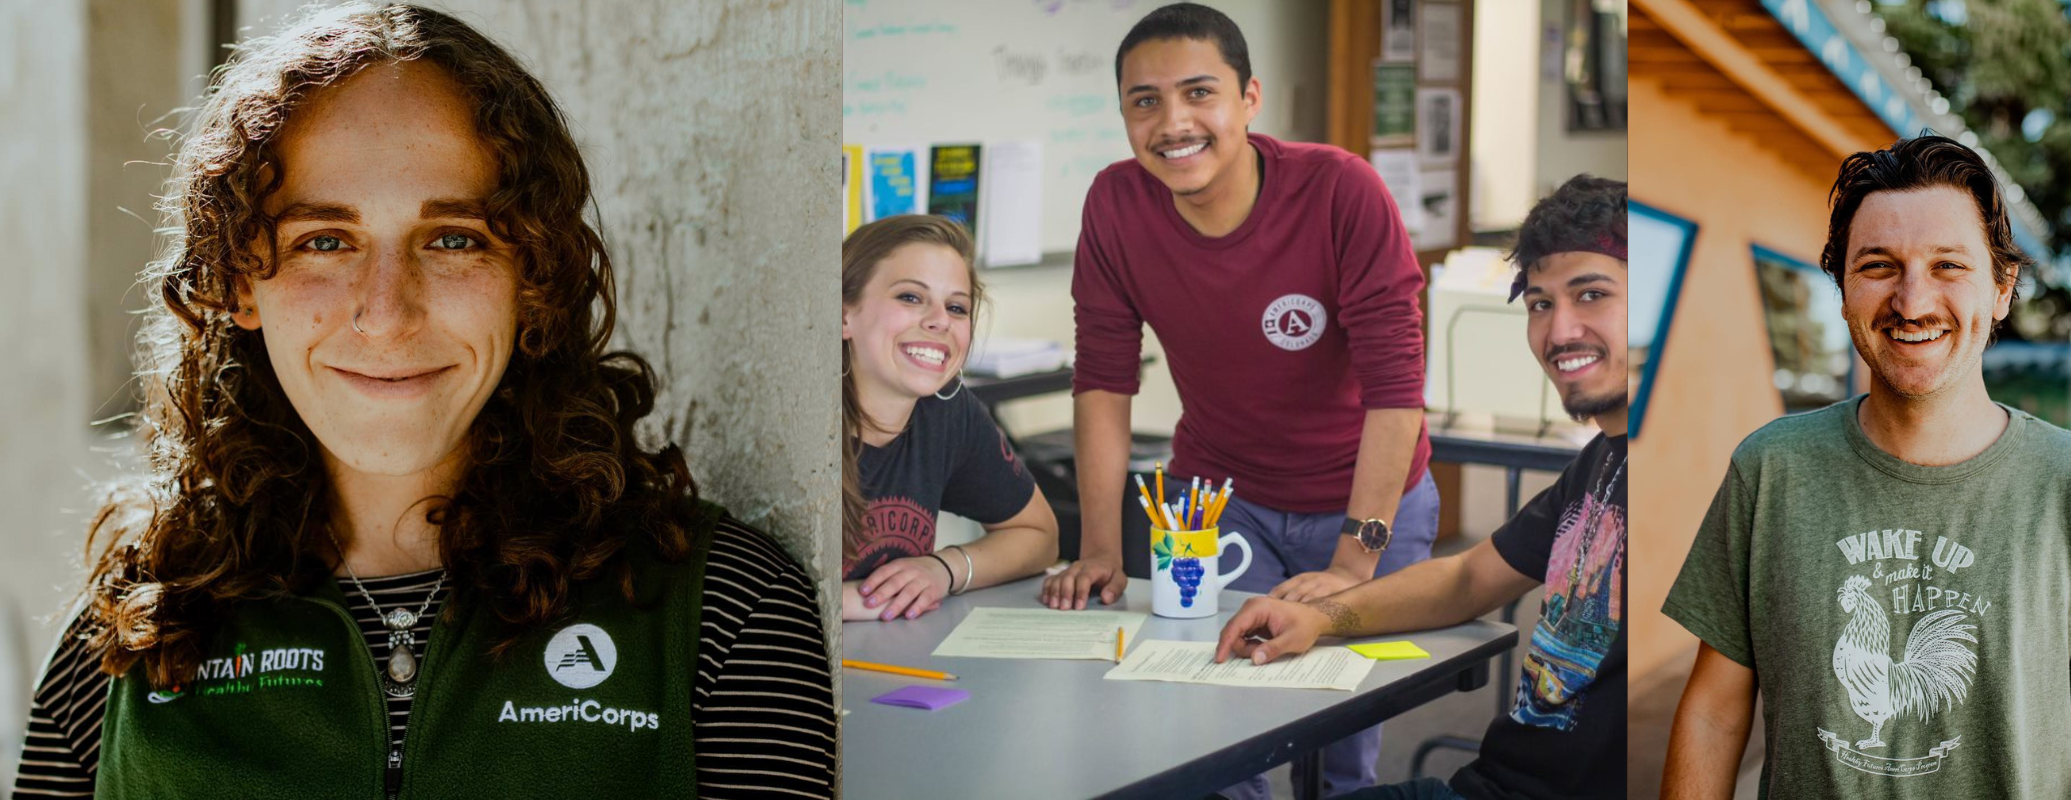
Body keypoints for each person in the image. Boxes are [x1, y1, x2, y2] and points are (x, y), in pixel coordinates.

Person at [9, 6, 833, 798]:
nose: (387, 313)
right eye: (323, 241)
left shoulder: (723, 611)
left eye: (453, 239)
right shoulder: (126, 644)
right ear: (237, 283)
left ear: (532, 278)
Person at [1661, 135, 2071, 798]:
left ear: (2001, 290)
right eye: (1879, 265)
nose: (1912, 301)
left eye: (1947, 266)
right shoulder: (1770, 470)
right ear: (1843, 290)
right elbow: (1713, 713)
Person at [1036, 4, 1437, 795]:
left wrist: (1355, 562)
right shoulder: (1116, 204)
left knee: (1341, 748)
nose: (1173, 122)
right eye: (1144, 101)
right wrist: (1101, 547)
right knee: (1213, 728)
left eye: (1198, 93)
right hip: (1220, 502)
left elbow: (1396, 395)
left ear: (1249, 99)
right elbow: (1104, 382)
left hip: (1362, 500)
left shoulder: (1339, 191)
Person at [1215, 175, 1631, 800]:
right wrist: (1317, 617)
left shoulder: (1710, 476)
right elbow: (1468, 578)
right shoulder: (1603, 460)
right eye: (1541, 304)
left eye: (1592, 294)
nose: (1559, 330)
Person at [840, 214, 1062, 621]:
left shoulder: (947, 408)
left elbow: (1039, 536)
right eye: (910, 297)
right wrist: (857, 602)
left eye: (956, 307)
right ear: (843, 315)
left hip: (888, 660)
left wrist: (944, 568)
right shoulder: (795, 423)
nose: (940, 320)